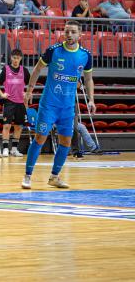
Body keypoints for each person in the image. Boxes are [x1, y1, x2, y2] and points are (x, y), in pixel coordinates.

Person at [22, 20, 94, 190]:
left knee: (66, 142)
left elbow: (89, 79)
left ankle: (54, 177)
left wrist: (91, 99)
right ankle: (27, 176)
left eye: (73, 32)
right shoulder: (53, 51)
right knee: (40, 138)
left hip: (68, 108)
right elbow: (37, 69)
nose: (69, 34)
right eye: (67, 31)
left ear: (79, 35)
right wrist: (29, 90)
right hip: (49, 105)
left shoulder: (85, 55)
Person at [0, 49, 30, 157]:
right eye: (14, 58)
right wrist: (1, 94)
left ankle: (14, 149)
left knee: (18, 126)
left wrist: (27, 93)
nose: (15, 60)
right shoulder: (5, 69)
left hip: (21, 103)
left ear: (21, 59)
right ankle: (5, 149)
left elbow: (31, 83)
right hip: (9, 102)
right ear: (11, 58)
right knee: (7, 126)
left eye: (18, 58)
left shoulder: (25, 70)